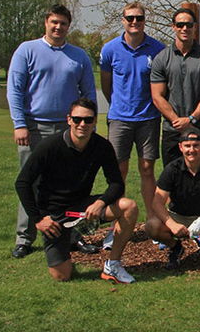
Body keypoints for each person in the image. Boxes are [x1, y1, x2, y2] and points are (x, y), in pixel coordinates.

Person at [7, 4, 97, 259]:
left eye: (63, 24)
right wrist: (19, 124)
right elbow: (15, 90)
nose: (58, 27)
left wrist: (86, 123)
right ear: (46, 22)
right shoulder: (27, 50)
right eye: (54, 22)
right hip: (34, 126)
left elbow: (88, 93)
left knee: (71, 184)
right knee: (32, 182)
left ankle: (72, 236)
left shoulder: (78, 56)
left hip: (69, 129)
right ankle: (25, 237)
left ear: (69, 26)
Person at [14, 98, 138, 283]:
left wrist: (100, 202)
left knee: (129, 206)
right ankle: (68, 240)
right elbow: (22, 183)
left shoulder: (102, 146)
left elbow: (116, 183)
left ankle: (113, 265)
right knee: (62, 276)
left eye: (88, 120)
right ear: (69, 119)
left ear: (95, 121)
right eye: (77, 119)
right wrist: (39, 219)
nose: (83, 124)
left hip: (82, 209)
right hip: (54, 216)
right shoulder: (50, 146)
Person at [100, 2, 165, 249]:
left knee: (148, 169)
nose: (134, 22)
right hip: (120, 119)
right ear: (123, 19)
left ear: (144, 20)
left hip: (148, 118)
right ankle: (115, 226)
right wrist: (117, 106)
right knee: (119, 173)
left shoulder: (158, 49)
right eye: (130, 18)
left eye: (139, 18)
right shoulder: (110, 49)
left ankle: (153, 222)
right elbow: (107, 86)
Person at [145, 127, 200, 269]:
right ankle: (175, 247)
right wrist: (171, 224)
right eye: (187, 146)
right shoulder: (172, 168)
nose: (191, 150)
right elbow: (157, 202)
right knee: (151, 226)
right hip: (177, 216)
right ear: (180, 147)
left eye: (196, 145)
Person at [151, 7, 200, 166]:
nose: (184, 28)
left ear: (195, 26)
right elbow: (157, 96)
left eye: (189, 25)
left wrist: (191, 119)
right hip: (172, 130)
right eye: (180, 25)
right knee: (172, 177)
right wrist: (177, 121)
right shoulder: (162, 58)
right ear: (173, 26)